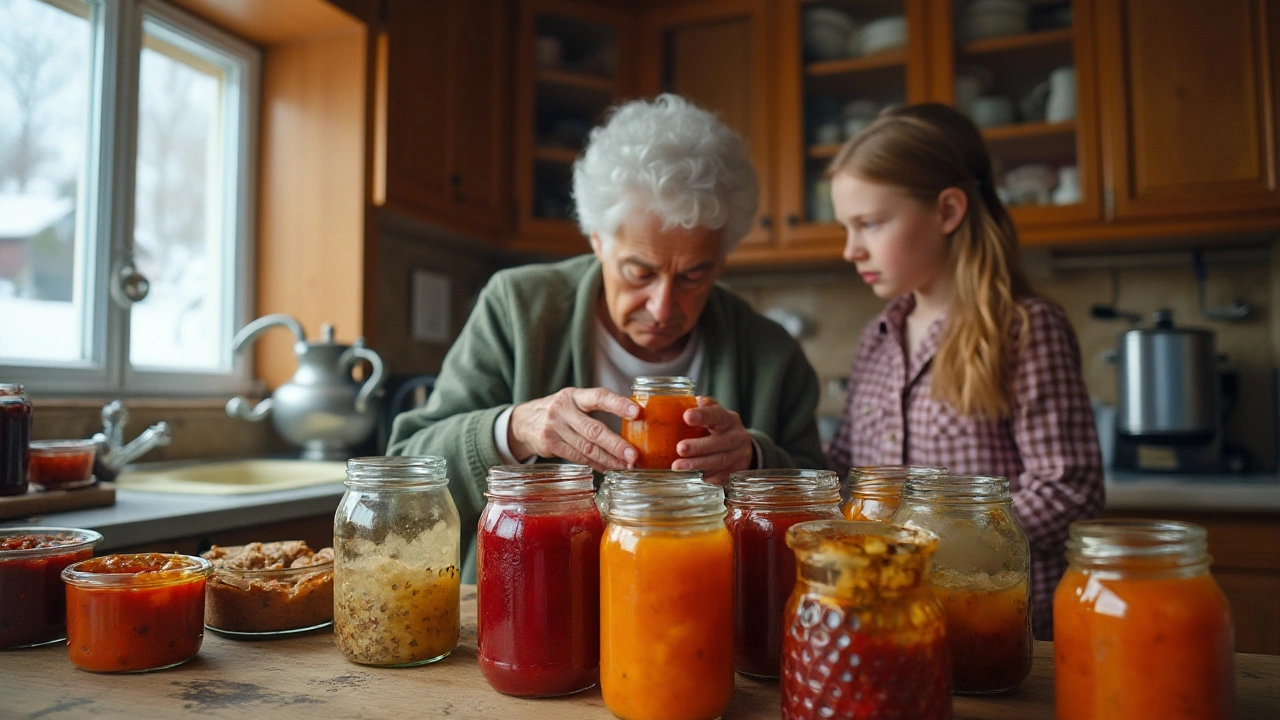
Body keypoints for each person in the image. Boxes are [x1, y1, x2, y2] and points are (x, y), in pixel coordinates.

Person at [390, 94, 825, 580]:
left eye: (693, 276)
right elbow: (404, 473)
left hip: (700, 614)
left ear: (722, 259)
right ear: (597, 239)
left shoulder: (771, 353)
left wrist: (754, 458)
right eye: (639, 272)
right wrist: (516, 429)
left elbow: (825, 502)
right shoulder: (519, 309)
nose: (662, 307)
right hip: (528, 606)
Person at [824, 103, 1104, 639]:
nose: (850, 248)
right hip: (890, 620)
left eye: (871, 223)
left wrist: (923, 546)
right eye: (846, 227)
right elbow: (848, 471)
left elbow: (1069, 490)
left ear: (948, 211)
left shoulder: (1024, 328)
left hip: (998, 622)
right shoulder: (877, 337)